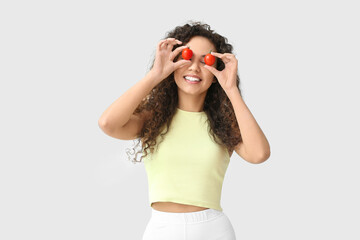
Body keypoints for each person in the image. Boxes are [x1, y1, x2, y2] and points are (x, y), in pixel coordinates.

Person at [98, 20, 270, 240]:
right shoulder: (152, 118)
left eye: (205, 60)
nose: (194, 68)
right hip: (161, 229)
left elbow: (259, 154)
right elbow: (108, 124)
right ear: (174, 60)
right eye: (187, 57)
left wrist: (231, 89)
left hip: (213, 230)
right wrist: (155, 75)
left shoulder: (223, 123)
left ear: (216, 70)